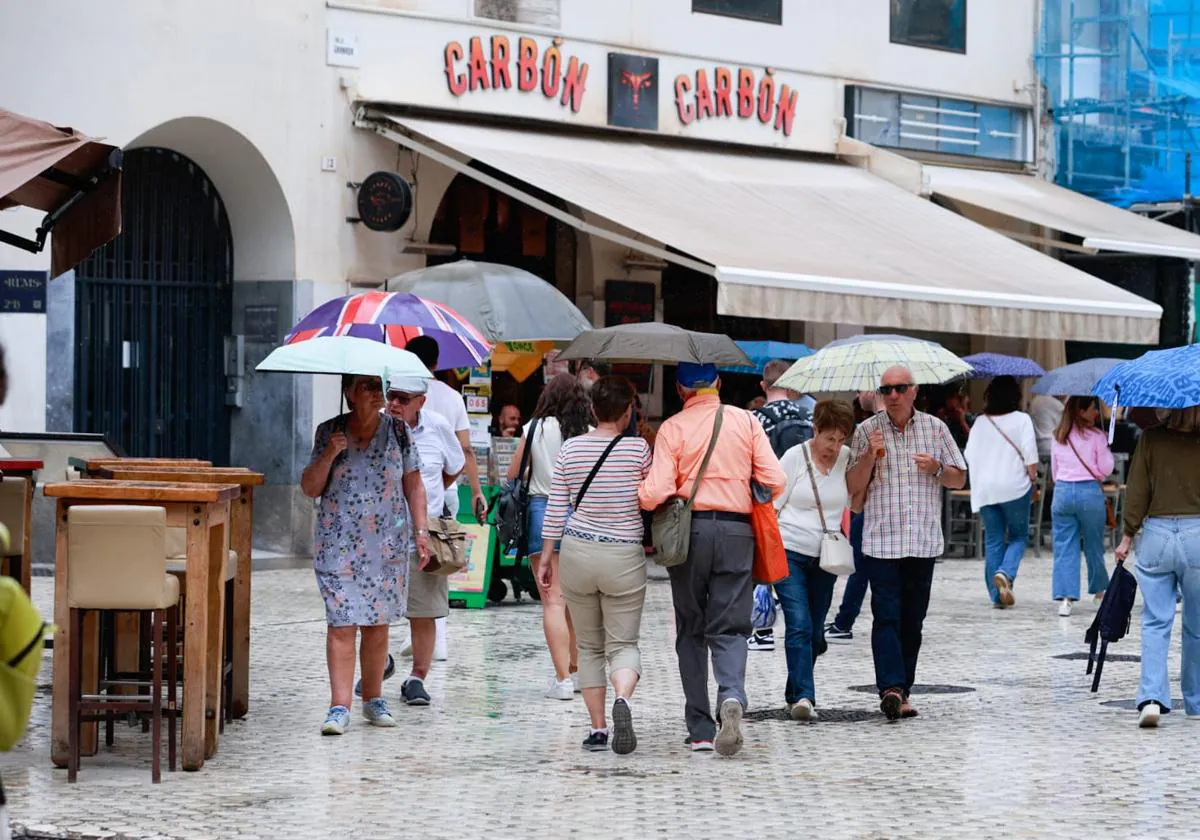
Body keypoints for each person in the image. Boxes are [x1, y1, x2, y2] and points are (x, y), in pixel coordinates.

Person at [639, 363, 786, 756]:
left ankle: (701, 729)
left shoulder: (672, 427)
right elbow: (775, 479)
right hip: (739, 532)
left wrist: (639, 491)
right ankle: (731, 695)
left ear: (680, 389)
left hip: (690, 533)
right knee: (731, 626)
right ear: (718, 384)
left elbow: (657, 491)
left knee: (690, 628)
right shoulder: (746, 421)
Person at [300, 374, 430, 735]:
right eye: (367, 387)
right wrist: (329, 454)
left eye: (379, 386)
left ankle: (373, 699)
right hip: (337, 543)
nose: (377, 394)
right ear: (349, 393)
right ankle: (338, 706)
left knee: (376, 625)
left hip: (385, 545)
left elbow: (414, 484)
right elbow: (310, 487)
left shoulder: (399, 432)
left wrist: (422, 532)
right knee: (341, 624)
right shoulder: (329, 431)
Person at [845, 366, 967, 721]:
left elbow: (959, 478)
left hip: (922, 541)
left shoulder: (936, 428)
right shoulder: (867, 431)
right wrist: (868, 456)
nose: (893, 395)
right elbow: (853, 490)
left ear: (914, 390)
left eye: (900, 388)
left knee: (912, 620)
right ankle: (891, 689)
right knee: (886, 617)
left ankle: (904, 689)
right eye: (886, 389)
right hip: (882, 541)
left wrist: (937, 470)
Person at [539, 376, 652, 753]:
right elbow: (650, 497)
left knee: (588, 646)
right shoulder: (638, 451)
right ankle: (623, 697)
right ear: (627, 412)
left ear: (592, 409)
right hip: (623, 555)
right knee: (623, 643)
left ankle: (599, 728)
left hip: (577, 551)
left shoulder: (571, 449)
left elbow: (557, 508)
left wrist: (545, 555)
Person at [507, 373, 593, 699]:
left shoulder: (534, 429)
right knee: (577, 602)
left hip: (542, 513)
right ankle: (581, 671)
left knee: (552, 601)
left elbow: (514, 475)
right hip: (580, 516)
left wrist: (537, 470)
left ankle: (562, 681)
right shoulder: (587, 432)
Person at [1115, 405, 1200, 728]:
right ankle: (1195, 701)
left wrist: (1127, 535)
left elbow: (1137, 491)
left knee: (1155, 620)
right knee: (1196, 626)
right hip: (1197, 536)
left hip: (1157, 534)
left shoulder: (1151, 439)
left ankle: (1151, 697)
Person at [773, 399, 855, 721]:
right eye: (829, 438)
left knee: (816, 632)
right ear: (815, 431)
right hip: (789, 550)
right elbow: (773, 505)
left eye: (841, 439)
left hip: (826, 557)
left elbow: (856, 493)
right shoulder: (794, 458)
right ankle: (806, 698)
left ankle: (795, 692)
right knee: (799, 624)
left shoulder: (845, 459)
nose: (834, 447)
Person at [406, 336, 484, 663]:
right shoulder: (452, 397)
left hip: (414, 495)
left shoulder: (399, 393)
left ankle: (430, 641)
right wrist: (474, 489)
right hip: (442, 492)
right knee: (437, 564)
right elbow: (465, 450)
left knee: (419, 566)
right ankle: (434, 640)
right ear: (437, 363)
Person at [390, 375, 465, 707]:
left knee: (424, 611)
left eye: (403, 399)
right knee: (371, 610)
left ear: (421, 401)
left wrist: (431, 496)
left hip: (424, 536)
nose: (394, 404)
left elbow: (455, 466)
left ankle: (417, 678)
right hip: (382, 536)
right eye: (391, 395)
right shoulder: (378, 427)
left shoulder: (437, 426)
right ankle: (376, 666)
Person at [749, 358, 816, 652]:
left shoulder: (755, 419)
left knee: (762, 564)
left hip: (765, 501)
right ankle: (799, 626)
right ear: (791, 386)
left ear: (763, 386)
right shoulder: (806, 418)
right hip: (798, 504)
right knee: (791, 570)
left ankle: (762, 631)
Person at [963, 376, 1038, 609]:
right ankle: (1006, 573)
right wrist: (1033, 476)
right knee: (1018, 536)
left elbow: (969, 455)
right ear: (1016, 397)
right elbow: (1031, 457)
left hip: (986, 489)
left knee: (994, 540)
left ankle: (997, 597)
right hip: (1014, 487)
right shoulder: (1022, 420)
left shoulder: (980, 422)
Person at [1050, 396, 1114, 617]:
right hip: (1089, 493)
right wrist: (1106, 446)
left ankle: (1066, 599)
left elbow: (1054, 472)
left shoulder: (1058, 437)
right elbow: (1106, 469)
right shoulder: (1097, 437)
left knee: (1064, 546)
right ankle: (1099, 592)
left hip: (1063, 492)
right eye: (1093, 408)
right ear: (1081, 411)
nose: (1096, 412)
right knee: (1094, 545)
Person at [826, 390, 878, 644]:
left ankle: (844, 621)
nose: (859, 394)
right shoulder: (868, 427)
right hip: (863, 507)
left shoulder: (874, 428)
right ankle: (843, 620)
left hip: (870, 509)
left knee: (860, 566)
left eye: (864, 391)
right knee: (861, 565)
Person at [1030, 394, 1064, 460]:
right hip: (1051, 444)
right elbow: (1064, 426)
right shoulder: (1057, 404)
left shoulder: (1035, 400)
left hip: (1037, 443)